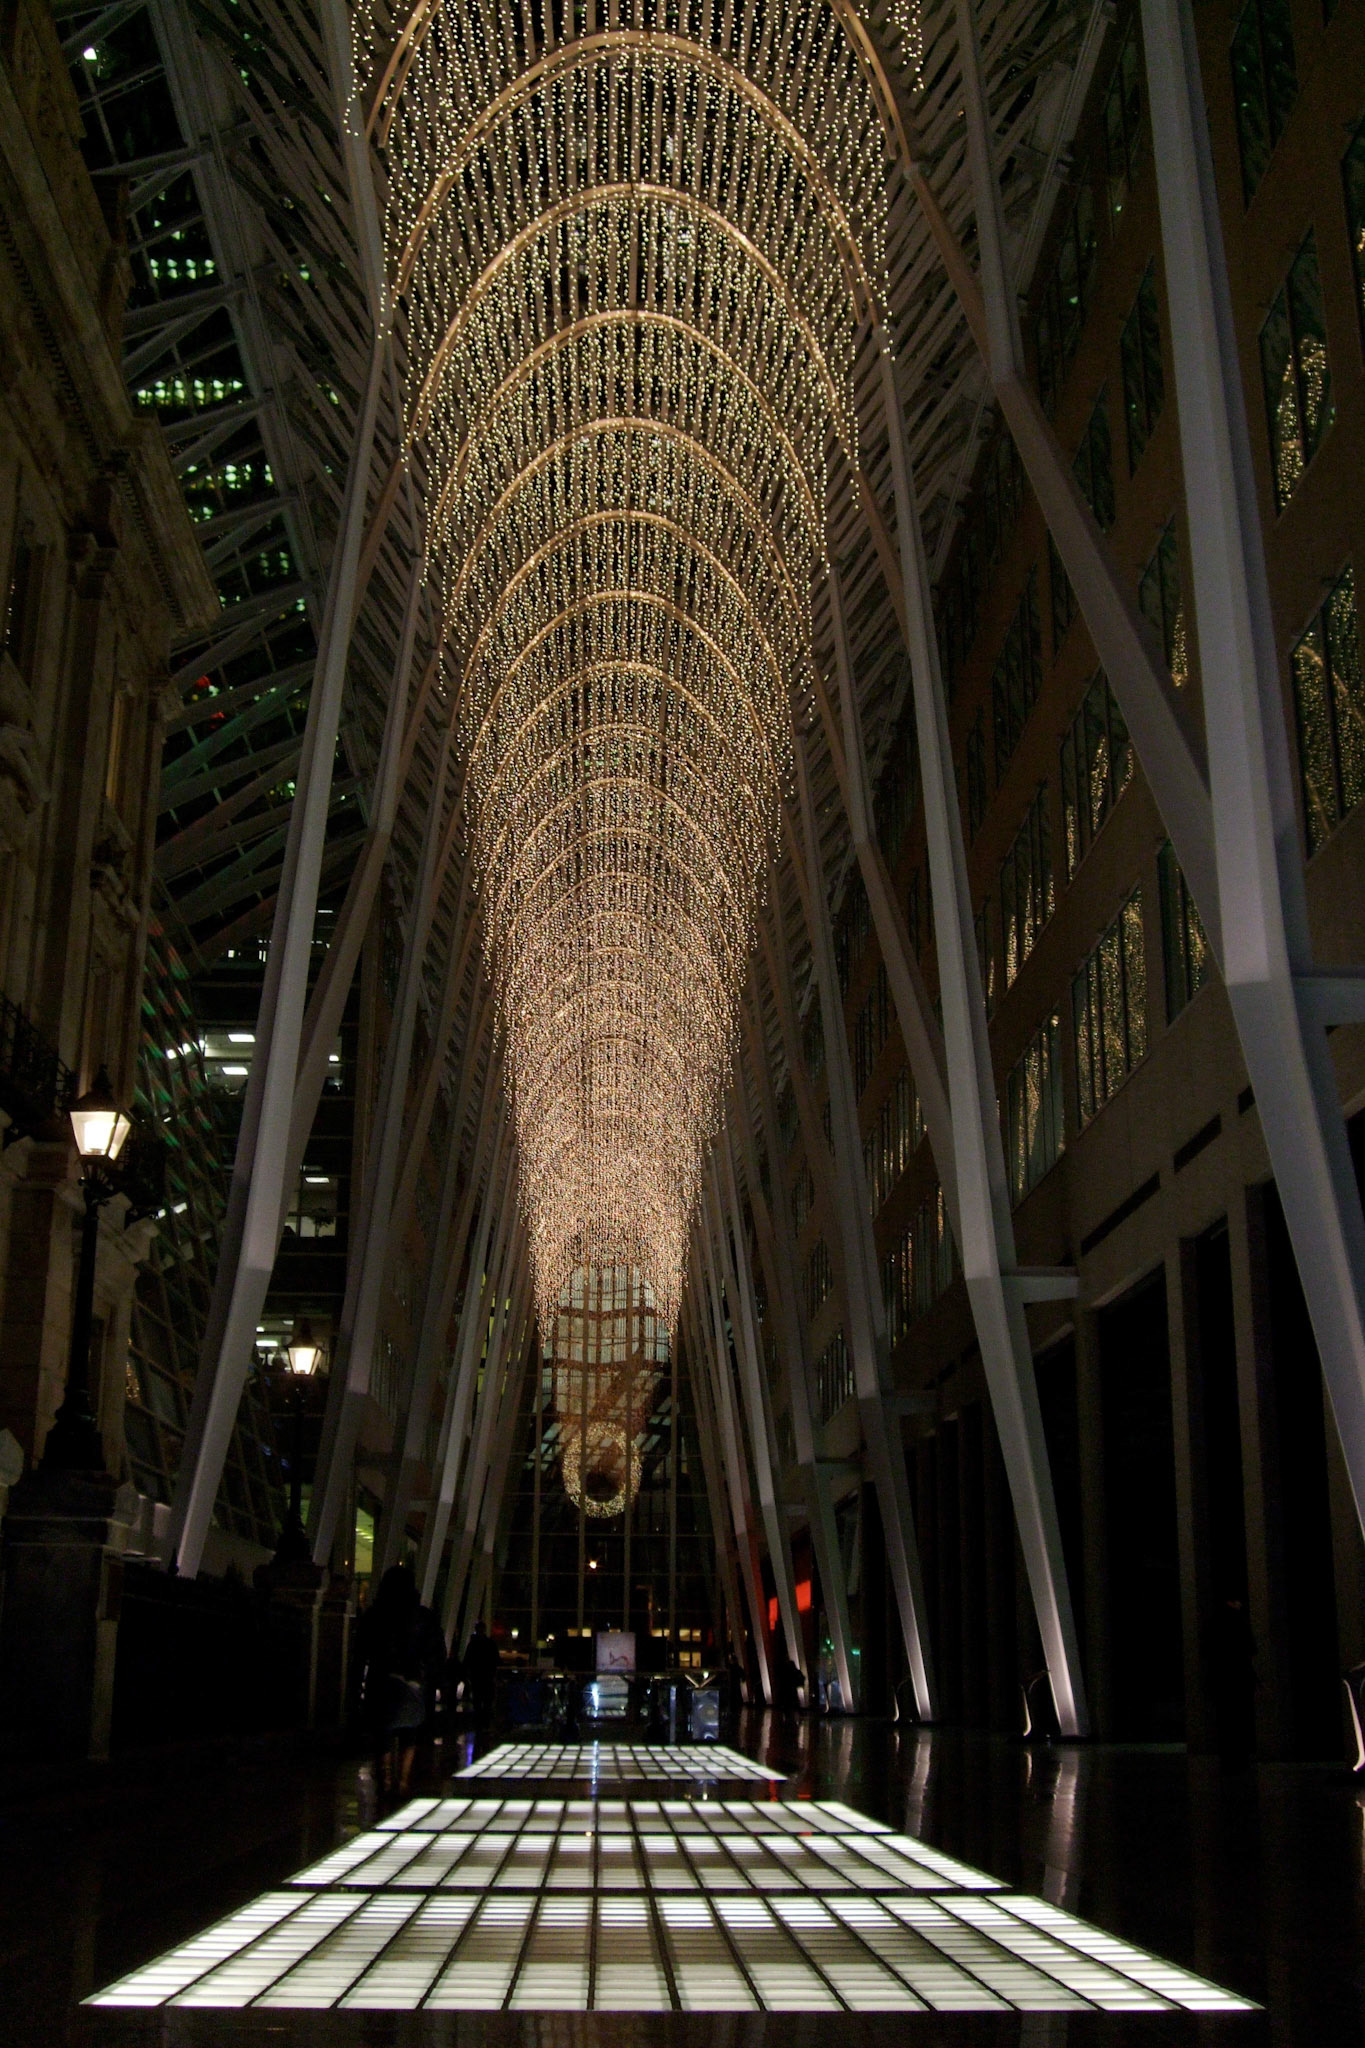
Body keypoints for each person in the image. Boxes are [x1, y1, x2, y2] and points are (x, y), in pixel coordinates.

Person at [355, 1564, 447, 1795]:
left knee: (382, 1733)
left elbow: (361, 1650)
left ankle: (385, 1780)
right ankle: (403, 1780)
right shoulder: (423, 1616)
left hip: (381, 1680)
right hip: (413, 1681)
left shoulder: (375, 1615)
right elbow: (437, 1651)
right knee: (410, 1734)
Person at [462, 1618, 501, 1721]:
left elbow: (467, 1660)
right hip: (487, 1675)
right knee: (487, 1699)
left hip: (476, 1675)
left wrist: (467, 1674)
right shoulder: (490, 1643)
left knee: (477, 1698)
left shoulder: (473, 1645)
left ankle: (479, 1719)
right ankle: (485, 1719)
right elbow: (496, 1660)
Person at [774, 1653, 805, 1722]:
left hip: (786, 1688)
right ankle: (797, 1716)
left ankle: (788, 1718)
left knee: (788, 1703)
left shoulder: (782, 1668)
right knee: (794, 1701)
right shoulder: (791, 1667)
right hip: (791, 1688)